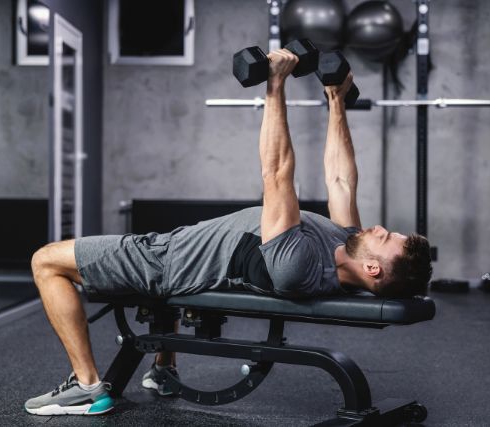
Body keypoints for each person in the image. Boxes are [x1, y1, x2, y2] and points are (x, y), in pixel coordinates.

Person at [24, 48, 433, 416]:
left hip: (165, 261)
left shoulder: (300, 265)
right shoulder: (347, 244)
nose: (377, 228)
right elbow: (341, 179)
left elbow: (276, 173)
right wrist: (336, 100)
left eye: (384, 237)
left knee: (46, 260)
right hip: (183, 248)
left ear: (373, 270)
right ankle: (163, 371)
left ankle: (86, 387)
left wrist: (275, 85)